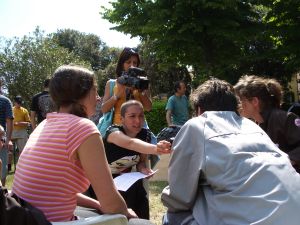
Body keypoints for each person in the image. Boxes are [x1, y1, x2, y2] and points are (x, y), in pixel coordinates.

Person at [161, 78, 300, 225]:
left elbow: (179, 199)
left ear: (199, 110)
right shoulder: (252, 126)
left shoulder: (197, 125)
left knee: (173, 216)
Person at [11, 65, 139, 222]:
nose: (98, 97)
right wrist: (125, 211)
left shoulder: (45, 124)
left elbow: (54, 189)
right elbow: (111, 204)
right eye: (94, 90)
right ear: (82, 93)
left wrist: (97, 204)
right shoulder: (83, 128)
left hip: (24, 217)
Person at [98, 100, 171, 220]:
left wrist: (143, 169)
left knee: (140, 199)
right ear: (121, 119)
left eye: (141, 116)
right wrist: (157, 148)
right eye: (132, 116)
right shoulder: (113, 132)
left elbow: (141, 161)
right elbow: (130, 143)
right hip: (105, 184)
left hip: (128, 182)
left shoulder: (145, 135)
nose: (138, 121)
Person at [234, 75, 300, 172]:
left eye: (240, 101)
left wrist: (284, 162)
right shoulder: (255, 124)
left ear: (254, 101)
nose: (237, 106)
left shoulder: (285, 118)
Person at [101, 47, 152, 126]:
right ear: (122, 64)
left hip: (139, 128)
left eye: (134, 63)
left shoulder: (143, 83)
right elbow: (104, 109)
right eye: (128, 62)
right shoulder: (111, 84)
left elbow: (148, 108)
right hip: (118, 129)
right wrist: (117, 95)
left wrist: (141, 92)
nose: (132, 65)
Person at [0, 79, 13, 186]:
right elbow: (9, 121)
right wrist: (8, 139)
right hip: (1, 139)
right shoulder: (5, 101)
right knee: (2, 166)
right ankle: (2, 195)